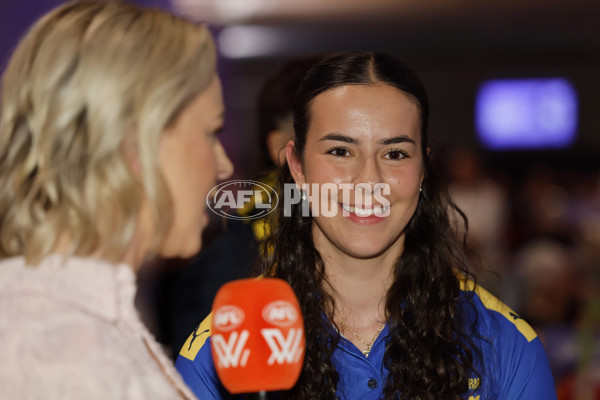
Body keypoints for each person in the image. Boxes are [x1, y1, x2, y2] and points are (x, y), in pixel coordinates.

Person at [175, 52, 556, 399]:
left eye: (394, 154)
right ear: (297, 167)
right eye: (340, 151)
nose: (368, 181)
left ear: (422, 168)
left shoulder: (502, 343)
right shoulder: (222, 349)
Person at [0, 1, 233, 399]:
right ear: (139, 142)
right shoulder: (63, 354)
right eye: (211, 133)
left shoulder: (77, 324)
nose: (224, 165)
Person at [167, 55, 324, 359]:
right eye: (338, 148)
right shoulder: (225, 267)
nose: (365, 173)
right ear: (284, 150)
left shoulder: (403, 257)